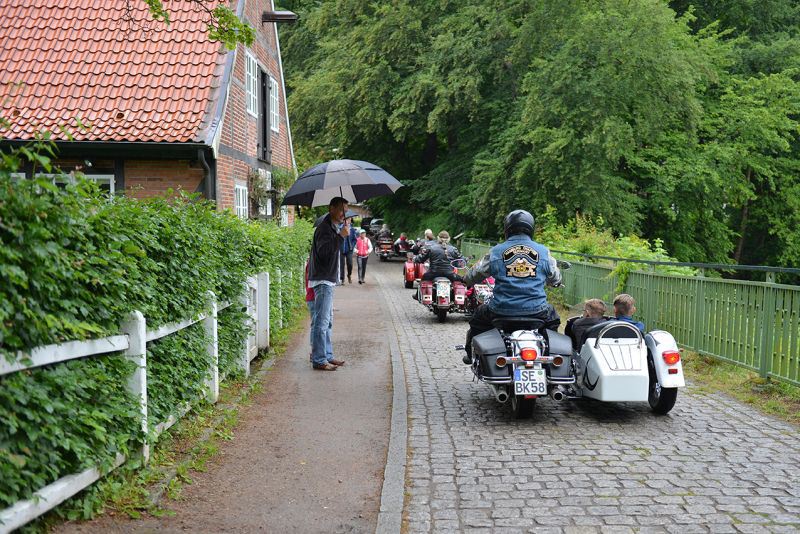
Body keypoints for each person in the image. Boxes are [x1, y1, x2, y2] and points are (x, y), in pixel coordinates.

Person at [461, 209, 562, 364]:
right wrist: (554, 282)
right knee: (553, 319)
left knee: (477, 320)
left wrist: (466, 280)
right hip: (537, 311)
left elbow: (476, 273)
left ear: (507, 229)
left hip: (501, 310)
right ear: (530, 228)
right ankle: (550, 353)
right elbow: (555, 276)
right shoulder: (543, 252)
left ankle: (470, 354)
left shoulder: (496, 251)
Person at [308, 196, 350, 371]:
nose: (343, 214)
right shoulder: (324, 229)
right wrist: (340, 236)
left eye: (345, 210)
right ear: (331, 208)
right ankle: (319, 359)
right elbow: (325, 253)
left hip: (328, 280)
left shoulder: (332, 228)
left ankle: (327, 355)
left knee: (327, 322)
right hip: (323, 280)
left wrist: (340, 234)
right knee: (321, 321)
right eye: (341, 210)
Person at [339, 215, 358, 284]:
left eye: (348, 220)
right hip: (341, 249)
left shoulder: (352, 229)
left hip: (349, 249)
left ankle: (349, 275)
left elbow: (355, 240)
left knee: (350, 264)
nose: (347, 221)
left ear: (350, 221)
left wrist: (352, 247)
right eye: (345, 219)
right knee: (342, 264)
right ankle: (342, 279)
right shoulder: (339, 228)